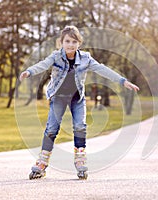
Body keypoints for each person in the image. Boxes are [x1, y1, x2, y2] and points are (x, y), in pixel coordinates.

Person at [19, 25, 139, 180]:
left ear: (79, 44)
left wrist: (123, 81)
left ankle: (80, 160)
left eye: (74, 42)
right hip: (58, 97)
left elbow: (103, 69)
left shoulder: (85, 59)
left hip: (77, 98)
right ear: (61, 42)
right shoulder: (56, 57)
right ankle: (42, 162)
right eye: (67, 41)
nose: (70, 45)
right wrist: (29, 71)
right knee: (51, 128)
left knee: (80, 126)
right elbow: (43, 64)